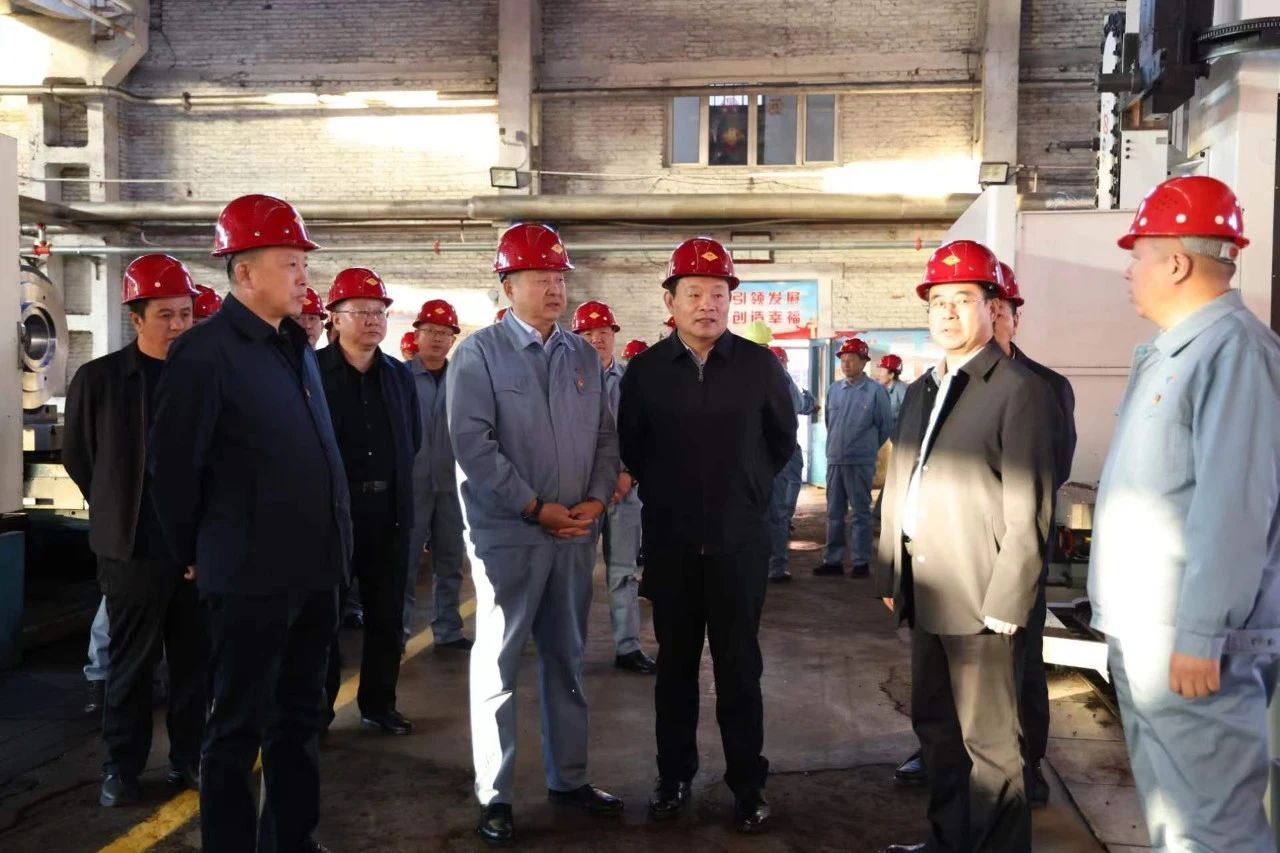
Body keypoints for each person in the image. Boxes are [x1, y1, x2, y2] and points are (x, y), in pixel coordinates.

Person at [149, 194, 350, 853]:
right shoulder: (204, 354)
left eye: (302, 263)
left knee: (299, 718)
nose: (303, 275)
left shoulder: (295, 346)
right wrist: (197, 551)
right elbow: (172, 468)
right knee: (237, 727)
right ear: (243, 272)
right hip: (248, 577)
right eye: (290, 263)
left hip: (313, 570)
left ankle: (291, 838)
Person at [1088, 175, 1280, 852]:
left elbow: (1235, 507)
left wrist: (1203, 632)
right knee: (1177, 819)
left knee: (1214, 828)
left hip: (1189, 642)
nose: (1129, 271)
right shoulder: (1178, 352)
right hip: (1151, 631)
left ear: (1175, 263)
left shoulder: (1235, 352)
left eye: (1137, 255)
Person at [875, 239, 1055, 853]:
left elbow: (1030, 506)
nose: (947, 313)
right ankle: (948, 842)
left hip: (982, 598)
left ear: (992, 306)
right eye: (937, 302)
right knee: (937, 730)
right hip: (927, 587)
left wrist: (1009, 600)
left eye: (962, 299)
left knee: (991, 746)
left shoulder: (1017, 388)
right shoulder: (925, 388)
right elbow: (902, 483)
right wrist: (890, 573)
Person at [447, 222, 623, 846]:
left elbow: (605, 437)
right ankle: (494, 795)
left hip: (574, 534)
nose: (554, 288)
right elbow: (473, 444)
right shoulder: (479, 354)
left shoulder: (582, 355)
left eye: (559, 277)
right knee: (499, 664)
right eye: (540, 277)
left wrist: (596, 498)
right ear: (508, 285)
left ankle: (568, 779)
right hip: (509, 536)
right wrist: (533, 506)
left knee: (566, 657)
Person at [618, 236, 796, 833]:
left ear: (730, 301)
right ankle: (674, 778)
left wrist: (745, 492)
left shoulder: (759, 366)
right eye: (693, 293)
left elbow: (781, 442)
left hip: (738, 546)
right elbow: (634, 446)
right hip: (672, 546)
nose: (707, 305)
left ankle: (748, 784)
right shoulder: (646, 372)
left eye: (718, 293)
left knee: (740, 668)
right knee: (675, 669)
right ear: (670, 300)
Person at [63, 254, 205, 807]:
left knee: (194, 665)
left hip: (195, 551)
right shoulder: (101, 380)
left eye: (185, 314)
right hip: (132, 550)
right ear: (136, 318)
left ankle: (188, 760)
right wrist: (118, 508)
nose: (178, 325)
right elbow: (80, 457)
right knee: (131, 666)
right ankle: (121, 768)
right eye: (165, 315)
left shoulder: (205, 380)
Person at [320, 268, 420, 735]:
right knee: (324, 618)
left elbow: (412, 439)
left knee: (387, 614)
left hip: (389, 513)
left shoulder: (398, 376)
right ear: (335, 318)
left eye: (379, 312)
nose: (373, 320)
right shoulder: (312, 372)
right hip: (331, 517)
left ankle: (379, 704)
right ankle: (316, 711)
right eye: (361, 311)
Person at [572, 300, 656, 673]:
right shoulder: (565, 381)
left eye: (603, 332)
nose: (596, 339)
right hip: (580, 494)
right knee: (576, 575)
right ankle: (571, 648)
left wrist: (628, 475)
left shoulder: (633, 383)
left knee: (624, 572)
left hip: (625, 492)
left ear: (613, 335)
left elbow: (647, 433)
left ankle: (628, 646)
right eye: (588, 333)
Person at [404, 298, 470, 651]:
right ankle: (398, 630)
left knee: (450, 560)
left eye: (444, 333)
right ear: (417, 335)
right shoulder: (399, 376)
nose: (437, 338)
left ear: (452, 339)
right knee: (406, 561)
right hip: (411, 485)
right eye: (430, 330)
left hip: (451, 485)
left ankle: (448, 629)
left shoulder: (463, 379)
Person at [814, 337, 892, 579]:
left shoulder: (876, 391)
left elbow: (885, 426)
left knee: (860, 513)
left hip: (860, 461)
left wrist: (866, 448)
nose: (846, 364)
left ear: (863, 362)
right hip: (835, 460)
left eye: (851, 359)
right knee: (834, 512)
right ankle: (833, 560)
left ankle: (860, 562)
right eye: (843, 360)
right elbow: (830, 422)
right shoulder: (834, 390)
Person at [765, 345, 815, 583]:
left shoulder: (775, 379)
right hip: (774, 452)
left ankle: (775, 565)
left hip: (774, 453)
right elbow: (802, 404)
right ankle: (774, 565)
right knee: (775, 512)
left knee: (774, 511)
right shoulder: (782, 380)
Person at [875, 354, 907, 420]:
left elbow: (908, 414)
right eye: (879, 370)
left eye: (881, 371)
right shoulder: (879, 387)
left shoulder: (902, 389)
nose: (878, 374)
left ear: (891, 375)